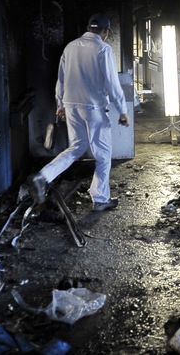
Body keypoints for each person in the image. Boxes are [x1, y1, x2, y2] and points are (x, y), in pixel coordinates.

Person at [27, 13, 129, 211]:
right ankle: (100, 199)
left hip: (71, 106)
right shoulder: (103, 49)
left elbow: (61, 79)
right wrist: (122, 110)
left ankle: (43, 176)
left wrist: (60, 105)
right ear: (105, 32)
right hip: (94, 108)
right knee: (103, 154)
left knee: (76, 148)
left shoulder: (70, 47)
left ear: (89, 28)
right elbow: (112, 83)